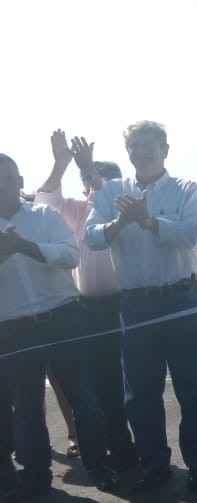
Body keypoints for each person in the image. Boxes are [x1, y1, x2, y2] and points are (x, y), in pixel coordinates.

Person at [83, 120, 197, 490]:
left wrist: (146, 221)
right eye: (135, 145)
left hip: (180, 298)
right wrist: (119, 223)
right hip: (136, 304)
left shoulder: (186, 188)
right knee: (141, 392)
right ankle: (154, 461)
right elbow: (92, 237)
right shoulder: (112, 191)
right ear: (128, 152)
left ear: (165, 150)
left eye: (149, 145)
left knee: (191, 387)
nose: (142, 151)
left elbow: (189, 233)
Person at [0, 154, 120, 500]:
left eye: (8, 177)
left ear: (21, 181)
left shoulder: (45, 215)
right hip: (13, 329)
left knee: (85, 397)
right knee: (26, 407)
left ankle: (99, 465)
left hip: (63, 318)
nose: (3, 185)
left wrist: (25, 247)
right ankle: (37, 477)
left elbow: (71, 256)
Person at [34, 131, 135, 468]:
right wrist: (61, 164)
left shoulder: (124, 205)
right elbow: (45, 201)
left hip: (127, 302)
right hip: (88, 308)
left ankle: (141, 446)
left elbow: (106, 195)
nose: (95, 187)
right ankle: (118, 445)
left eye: (100, 180)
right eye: (91, 181)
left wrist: (92, 171)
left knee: (133, 381)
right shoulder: (78, 211)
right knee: (101, 382)